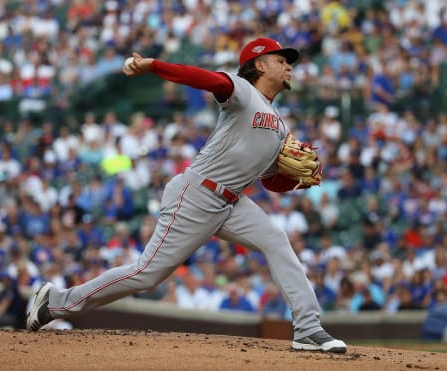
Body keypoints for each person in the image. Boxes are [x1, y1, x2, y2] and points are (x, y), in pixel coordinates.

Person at [26, 37, 347, 353]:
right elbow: (205, 79)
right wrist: (154, 65)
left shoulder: (278, 125)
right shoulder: (242, 92)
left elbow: (269, 180)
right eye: (281, 60)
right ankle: (56, 302)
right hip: (196, 194)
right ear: (260, 65)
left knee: (276, 240)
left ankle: (308, 329)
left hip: (232, 202)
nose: (288, 66)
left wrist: (288, 177)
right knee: (146, 274)